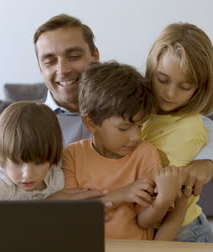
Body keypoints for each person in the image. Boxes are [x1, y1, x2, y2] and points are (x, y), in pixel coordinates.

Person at [0, 14, 213, 202]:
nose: (63, 69)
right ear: (40, 68)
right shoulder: (29, 126)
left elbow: (208, 129)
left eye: (74, 56)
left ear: (95, 56)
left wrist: (208, 160)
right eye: (50, 60)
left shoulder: (122, 98)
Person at [63, 61, 182, 240]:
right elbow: (72, 215)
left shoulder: (145, 153)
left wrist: (163, 201)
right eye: (124, 128)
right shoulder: (72, 154)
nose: (135, 136)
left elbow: (144, 222)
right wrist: (121, 195)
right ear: (91, 123)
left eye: (140, 126)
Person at [141, 22, 213, 242]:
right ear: (151, 68)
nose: (170, 93)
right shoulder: (140, 110)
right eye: (162, 79)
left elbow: (170, 201)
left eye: (185, 86)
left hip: (182, 233)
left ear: (201, 87)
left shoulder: (188, 130)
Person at [0, 101, 64, 201]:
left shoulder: (56, 178)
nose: (28, 175)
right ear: (2, 159)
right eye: (16, 163)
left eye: (38, 163)